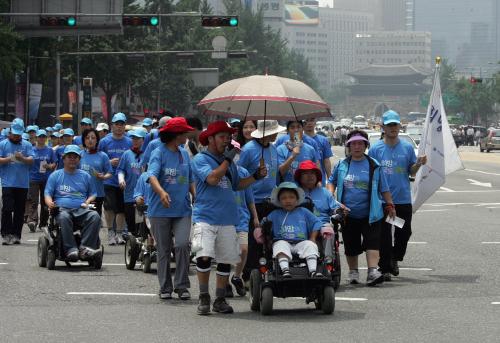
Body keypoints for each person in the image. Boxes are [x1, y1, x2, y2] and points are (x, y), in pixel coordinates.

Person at [192, 120, 266, 315]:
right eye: (222, 137)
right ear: (210, 139)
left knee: (225, 260)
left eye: (229, 137)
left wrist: (256, 176)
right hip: (205, 217)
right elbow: (212, 179)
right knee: (204, 256)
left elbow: (238, 185)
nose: (227, 140)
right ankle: (203, 297)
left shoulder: (230, 162)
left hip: (228, 219)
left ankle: (219, 299)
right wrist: (227, 160)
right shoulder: (201, 159)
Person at [328, 129, 396, 286]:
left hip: (371, 213)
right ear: (349, 146)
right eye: (353, 144)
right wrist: (331, 196)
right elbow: (331, 181)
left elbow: (384, 188)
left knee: (372, 242)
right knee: (351, 244)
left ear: (365, 146)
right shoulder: (342, 164)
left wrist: (390, 205)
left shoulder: (374, 165)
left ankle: (372, 272)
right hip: (347, 214)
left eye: (360, 143)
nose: (357, 147)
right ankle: (353, 272)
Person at [368, 111, 427, 281]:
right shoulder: (376, 148)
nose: (393, 128)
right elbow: (372, 174)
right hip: (383, 200)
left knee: (404, 231)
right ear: (383, 127)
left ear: (400, 126)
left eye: (396, 125)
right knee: (384, 235)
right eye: (390, 125)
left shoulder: (407, 147)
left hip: (402, 198)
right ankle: (385, 267)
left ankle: (395, 258)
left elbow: (411, 171)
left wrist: (418, 164)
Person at [147, 117, 195, 300]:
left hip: (182, 209)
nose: (188, 135)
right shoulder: (158, 153)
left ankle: (181, 285)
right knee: (164, 250)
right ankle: (165, 286)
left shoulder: (184, 153)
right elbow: (151, 176)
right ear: (177, 135)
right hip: (160, 210)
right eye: (185, 132)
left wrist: (196, 195)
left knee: (183, 244)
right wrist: (161, 193)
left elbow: (190, 179)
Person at [237, 120, 285, 282]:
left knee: (270, 237)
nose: (277, 134)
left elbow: (276, 174)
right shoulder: (248, 149)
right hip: (253, 201)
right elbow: (239, 174)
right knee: (253, 239)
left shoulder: (273, 149)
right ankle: (249, 273)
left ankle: (268, 270)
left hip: (271, 200)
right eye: (274, 131)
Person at [44, 145, 101, 261]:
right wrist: (50, 203)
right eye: (69, 157)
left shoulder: (85, 176)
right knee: (64, 217)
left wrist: (88, 201)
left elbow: (93, 193)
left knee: (95, 216)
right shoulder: (55, 175)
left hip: (81, 209)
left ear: (79, 160)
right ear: (63, 159)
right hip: (62, 209)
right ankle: (71, 249)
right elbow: (47, 193)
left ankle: (85, 248)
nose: (72, 159)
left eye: (75, 157)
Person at [257, 182, 323, 277]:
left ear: (297, 200)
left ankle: (313, 271)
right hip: (283, 241)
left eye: (291, 197)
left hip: (301, 242)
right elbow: (263, 224)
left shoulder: (304, 212)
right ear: (279, 201)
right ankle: (285, 270)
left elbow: (317, 222)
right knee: (279, 246)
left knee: (311, 245)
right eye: (284, 198)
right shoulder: (275, 213)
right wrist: (263, 226)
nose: (288, 200)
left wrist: (313, 238)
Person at [294, 160, 343, 257]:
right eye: (305, 173)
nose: (310, 176)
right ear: (299, 177)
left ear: (317, 176)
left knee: (328, 231)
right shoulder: (294, 193)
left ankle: (328, 259)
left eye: (312, 173)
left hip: (322, 224)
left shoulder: (325, 192)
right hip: (300, 224)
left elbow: (335, 207)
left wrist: (338, 212)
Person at [98, 113, 132, 245]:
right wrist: (109, 162)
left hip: (124, 181)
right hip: (109, 180)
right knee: (109, 208)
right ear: (112, 126)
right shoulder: (104, 141)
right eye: (116, 124)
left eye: (121, 124)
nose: (119, 127)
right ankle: (111, 232)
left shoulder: (129, 142)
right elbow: (99, 158)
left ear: (125, 126)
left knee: (121, 209)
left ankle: (119, 233)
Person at [226, 165, 259, 298]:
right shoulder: (217, 170)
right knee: (225, 253)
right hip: (224, 218)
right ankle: (224, 283)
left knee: (243, 249)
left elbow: (250, 197)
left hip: (242, 217)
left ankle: (237, 277)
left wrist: (255, 216)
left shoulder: (243, 171)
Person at [0, 120, 34, 245]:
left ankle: (16, 235)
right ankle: (6, 234)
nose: (16, 137)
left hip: (22, 183)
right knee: (7, 209)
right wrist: (9, 159)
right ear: (10, 133)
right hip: (7, 182)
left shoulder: (27, 145)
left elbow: (31, 160)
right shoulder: (3, 144)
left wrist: (23, 158)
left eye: (19, 135)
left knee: (20, 210)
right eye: (14, 134)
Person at [117, 130, 146, 238]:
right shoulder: (127, 154)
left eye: (138, 139)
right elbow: (120, 170)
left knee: (144, 223)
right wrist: (121, 179)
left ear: (143, 140)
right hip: (129, 193)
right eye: (133, 138)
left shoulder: (147, 155)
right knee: (131, 221)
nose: (135, 141)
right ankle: (133, 245)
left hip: (144, 195)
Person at [26, 130, 57, 232]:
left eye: (44, 137)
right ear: (36, 138)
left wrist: (49, 166)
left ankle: (43, 223)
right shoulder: (31, 149)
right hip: (33, 178)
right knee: (33, 201)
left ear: (46, 138)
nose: (42, 138)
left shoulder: (50, 150)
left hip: (46, 179)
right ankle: (32, 221)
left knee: (45, 202)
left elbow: (54, 164)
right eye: (40, 137)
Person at [79, 128, 113, 218]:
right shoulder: (79, 155)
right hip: (81, 194)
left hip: (97, 194)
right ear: (84, 140)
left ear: (97, 140)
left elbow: (110, 172)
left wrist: (104, 177)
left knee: (94, 217)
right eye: (87, 138)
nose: (90, 140)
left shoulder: (103, 156)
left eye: (93, 138)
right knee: (82, 218)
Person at [303, 118, 333, 185]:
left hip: (319, 180)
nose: (309, 123)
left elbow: (326, 161)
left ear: (315, 122)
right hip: (302, 180)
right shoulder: (298, 141)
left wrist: (330, 181)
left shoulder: (323, 140)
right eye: (306, 121)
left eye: (311, 120)